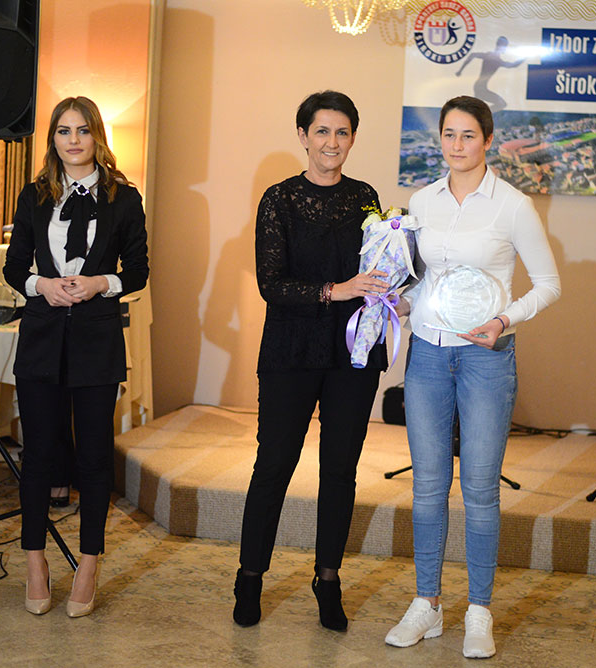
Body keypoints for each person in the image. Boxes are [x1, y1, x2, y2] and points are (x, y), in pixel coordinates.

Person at [385, 95, 561, 658]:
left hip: (486, 359)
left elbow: (549, 284)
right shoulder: (421, 201)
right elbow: (419, 278)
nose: (457, 145)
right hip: (427, 356)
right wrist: (397, 302)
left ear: (487, 140)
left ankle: (479, 611)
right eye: (448, 134)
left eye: (467, 135)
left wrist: (504, 320)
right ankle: (428, 604)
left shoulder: (513, 206)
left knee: (480, 490)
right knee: (428, 487)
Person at [232, 90, 390, 632]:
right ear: (303, 136)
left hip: (353, 352)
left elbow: (378, 269)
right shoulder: (278, 199)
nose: (332, 142)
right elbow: (272, 284)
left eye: (342, 132)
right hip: (290, 350)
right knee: (274, 464)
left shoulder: (365, 196)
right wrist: (336, 289)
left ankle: (328, 579)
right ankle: (250, 577)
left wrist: (391, 287)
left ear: (353, 138)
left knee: (340, 470)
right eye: (322, 131)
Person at [3, 96, 149, 617]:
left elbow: (138, 270)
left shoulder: (124, 199)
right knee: (39, 454)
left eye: (82, 130)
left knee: (92, 457)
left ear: (97, 137)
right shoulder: (34, 195)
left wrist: (98, 283)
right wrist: (41, 285)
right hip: (41, 340)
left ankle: (89, 563)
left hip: (97, 342)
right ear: (53, 140)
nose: (73, 140)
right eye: (63, 131)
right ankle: (35, 562)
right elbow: (14, 267)